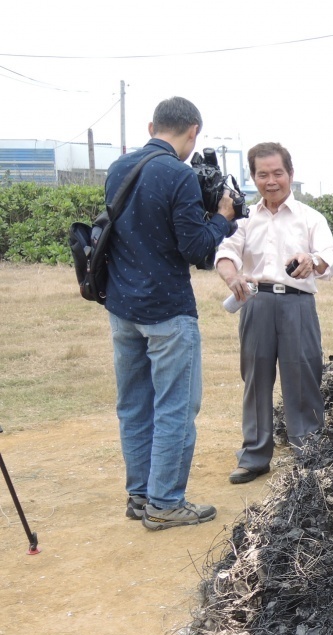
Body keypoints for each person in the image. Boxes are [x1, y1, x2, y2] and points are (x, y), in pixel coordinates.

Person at [106, 96, 237, 531]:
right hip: (166, 310)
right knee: (176, 406)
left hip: (122, 309)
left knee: (134, 404)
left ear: (151, 127)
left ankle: (140, 494)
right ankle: (164, 502)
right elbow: (197, 249)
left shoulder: (119, 169)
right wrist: (221, 217)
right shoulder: (178, 174)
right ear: (193, 130)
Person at [215, 142, 333, 484]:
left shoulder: (310, 218)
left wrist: (311, 261)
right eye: (262, 174)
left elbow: (330, 255)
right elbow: (226, 252)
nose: (271, 181)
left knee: (303, 377)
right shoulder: (244, 220)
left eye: (277, 173)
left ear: (290, 174)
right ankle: (254, 456)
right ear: (253, 177)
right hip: (255, 302)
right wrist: (232, 276)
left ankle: (309, 454)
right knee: (255, 379)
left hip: (297, 304)